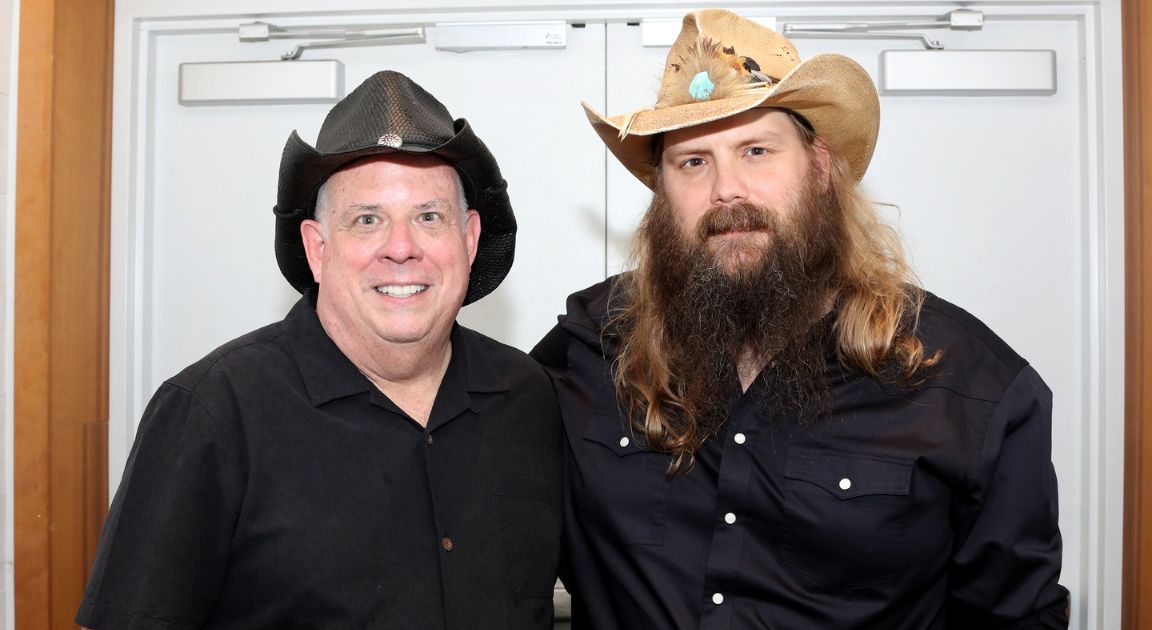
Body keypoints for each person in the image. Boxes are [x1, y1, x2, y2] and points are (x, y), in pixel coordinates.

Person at [532, 9, 1069, 629]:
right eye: (692, 162)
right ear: (662, 196)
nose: (726, 190)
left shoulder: (968, 386)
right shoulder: (591, 344)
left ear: (819, 168)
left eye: (756, 151)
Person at [77, 70, 561, 629]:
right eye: (367, 220)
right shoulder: (213, 412)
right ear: (317, 247)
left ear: (469, 239)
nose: (401, 249)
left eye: (429, 217)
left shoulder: (526, 395)